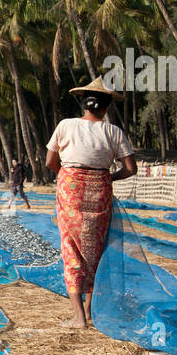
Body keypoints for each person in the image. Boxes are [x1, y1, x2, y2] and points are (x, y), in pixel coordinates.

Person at [45, 77, 137, 328]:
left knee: (71, 247)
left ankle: (78, 318)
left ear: (84, 104)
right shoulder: (114, 131)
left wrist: (69, 179)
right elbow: (130, 168)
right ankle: (89, 312)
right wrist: (108, 178)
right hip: (100, 191)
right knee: (95, 248)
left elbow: (50, 162)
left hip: (70, 190)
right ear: (106, 107)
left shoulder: (65, 125)